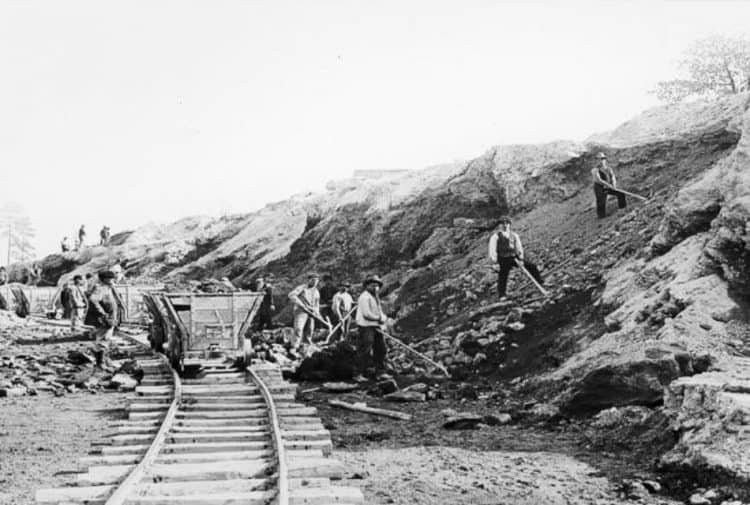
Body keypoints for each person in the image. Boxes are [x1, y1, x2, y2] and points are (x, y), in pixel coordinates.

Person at [488, 216, 544, 300]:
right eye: (502, 224)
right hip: (503, 259)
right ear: (499, 225)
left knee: (531, 266)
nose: (505, 225)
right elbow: (492, 250)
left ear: (509, 225)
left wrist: (521, 259)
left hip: (514, 257)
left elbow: (519, 247)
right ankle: (502, 295)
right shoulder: (495, 237)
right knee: (503, 276)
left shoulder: (514, 235)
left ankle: (540, 281)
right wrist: (495, 262)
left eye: (507, 223)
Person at [85, 270, 124, 367]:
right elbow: (93, 300)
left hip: (110, 317)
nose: (113, 280)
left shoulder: (108, 288)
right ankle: (100, 362)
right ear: (105, 279)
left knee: (105, 338)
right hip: (105, 318)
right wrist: (102, 313)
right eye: (111, 279)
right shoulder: (100, 288)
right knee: (103, 339)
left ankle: (102, 360)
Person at [355, 275, 388, 376]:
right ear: (367, 286)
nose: (375, 288)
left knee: (381, 349)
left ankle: (380, 371)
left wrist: (383, 317)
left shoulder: (375, 297)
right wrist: (379, 318)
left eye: (377, 286)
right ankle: (359, 373)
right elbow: (367, 314)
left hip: (376, 326)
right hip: (366, 327)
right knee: (365, 349)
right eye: (373, 285)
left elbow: (379, 311)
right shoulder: (364, 297)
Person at [288, 273, 321, 349]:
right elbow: (291, 295)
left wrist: (317, 312)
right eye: (313, 280)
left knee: (310, 329)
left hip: (311, 312)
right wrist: (301, 304)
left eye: (316, 280)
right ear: (308, 280)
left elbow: (317, 304)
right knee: (298, 328)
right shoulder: (302, 287)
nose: (314, 282)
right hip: (301, 311)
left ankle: (306, 346)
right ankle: (294, 346)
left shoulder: (316, 291)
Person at [591, 152, 626, 218]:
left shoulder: (608, 168)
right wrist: (608, 185)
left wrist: (614, 184)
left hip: (609, 186)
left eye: (603, 159)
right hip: (599, 188)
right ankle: (601, 216)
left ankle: (622, 208)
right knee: (601, 201)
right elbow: (599, 180)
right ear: (597, 160)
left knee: (621, 193)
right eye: (599, 159)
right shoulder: (595, 170)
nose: (601, 161)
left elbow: (613, 176)